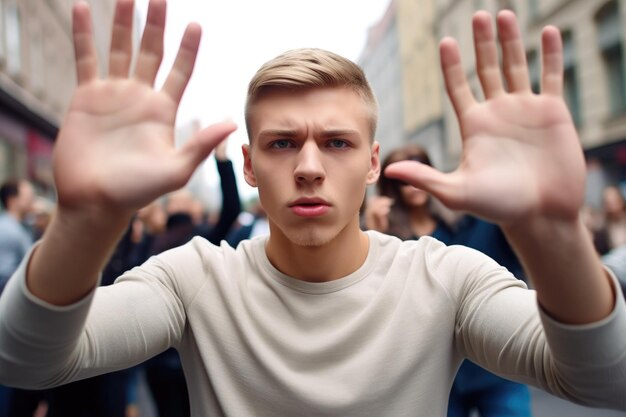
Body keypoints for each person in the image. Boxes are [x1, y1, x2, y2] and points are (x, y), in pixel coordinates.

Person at [0, 2, 625, 417]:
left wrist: (550, 231)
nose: (307, 165)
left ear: (373, 163)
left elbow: (604, 380)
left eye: (336, 142)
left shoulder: (446, 279)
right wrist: (86, 221)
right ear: (248, 166)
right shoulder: (194, 279)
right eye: (280, 143)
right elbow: (28, 359)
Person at [364, 144, 531, 417]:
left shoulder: (475, 218)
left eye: (419, 167)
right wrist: (372, 237)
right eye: (401, 178)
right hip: (433, 371)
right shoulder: (388, 239)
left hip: (497, 365)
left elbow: (523, 243)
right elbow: (376, 302)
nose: (412, 183)